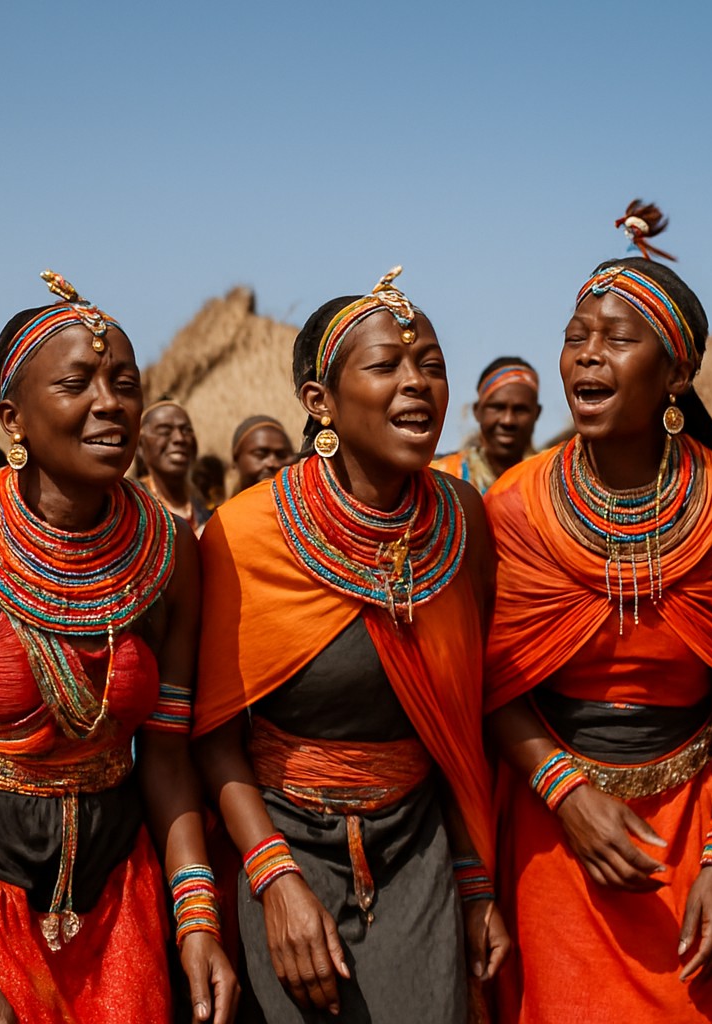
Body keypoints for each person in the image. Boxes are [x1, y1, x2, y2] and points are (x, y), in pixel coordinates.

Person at [484, 202, 712, 1024]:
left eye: (617, 338)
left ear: (676, 375)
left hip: (693, 826)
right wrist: (569, 796)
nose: (587, 353)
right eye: (577, 334)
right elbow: (492, 686)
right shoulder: (516, 506)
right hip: (557, 826)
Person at [192, 267, 509, 1022]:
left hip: (419, 852)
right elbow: (213, 739)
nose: (417, 384)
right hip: (286, 844)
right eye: (386, 366)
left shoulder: (462, 520)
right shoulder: (247, 535)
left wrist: (475, 886)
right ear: (320, 402)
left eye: (430, 365)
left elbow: (462, 727)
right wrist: (275, 882)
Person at [0, 271, 237, 1022]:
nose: (111, 402)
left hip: (120, 896)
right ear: (12, 417)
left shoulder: (170, 553)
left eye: (125, 383)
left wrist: (197, 919)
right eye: (78, 383)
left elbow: (168, 756)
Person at [431, 357, 540, 494]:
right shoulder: (441, 479)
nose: (508, 421)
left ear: (537, 413)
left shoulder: (548, 481)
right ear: (477, 411)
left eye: (520, 409)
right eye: (497, 407)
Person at [137, 399, 212, 535]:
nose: (179, 438)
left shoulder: (205, 509)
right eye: (164, 431)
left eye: (186, 430)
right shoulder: (132, 508)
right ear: (141, 447)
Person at [230, 415, 294, 494]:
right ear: (236, 459)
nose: (273, 463)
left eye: (282, 455)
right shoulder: (226, 506)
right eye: (260, 454)